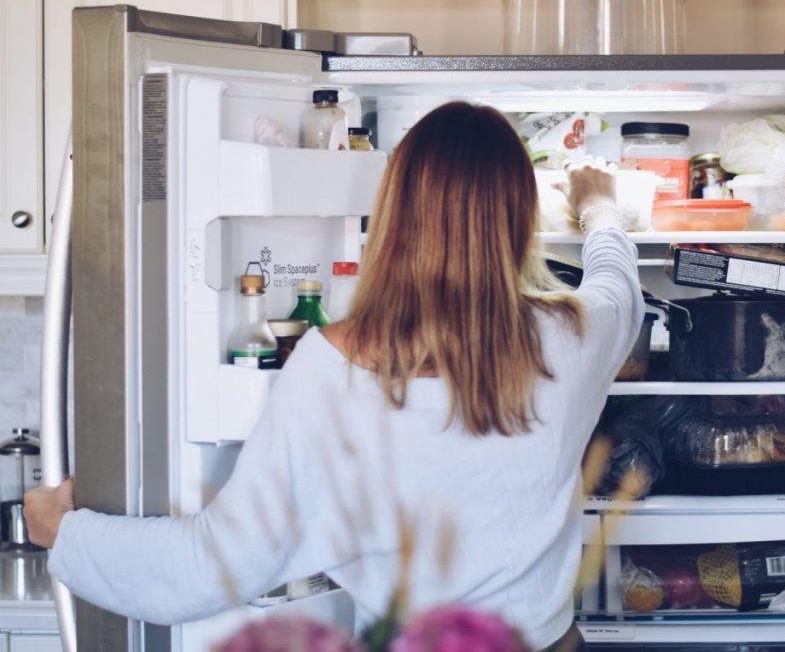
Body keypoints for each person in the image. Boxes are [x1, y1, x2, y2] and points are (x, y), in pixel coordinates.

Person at [25, 101, 643, 650]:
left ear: (395, 212)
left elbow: (216, 564)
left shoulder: (335, 368)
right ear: (517, 217)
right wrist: (600, 207)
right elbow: (619, 284)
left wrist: (66, 533)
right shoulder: (575, 337)